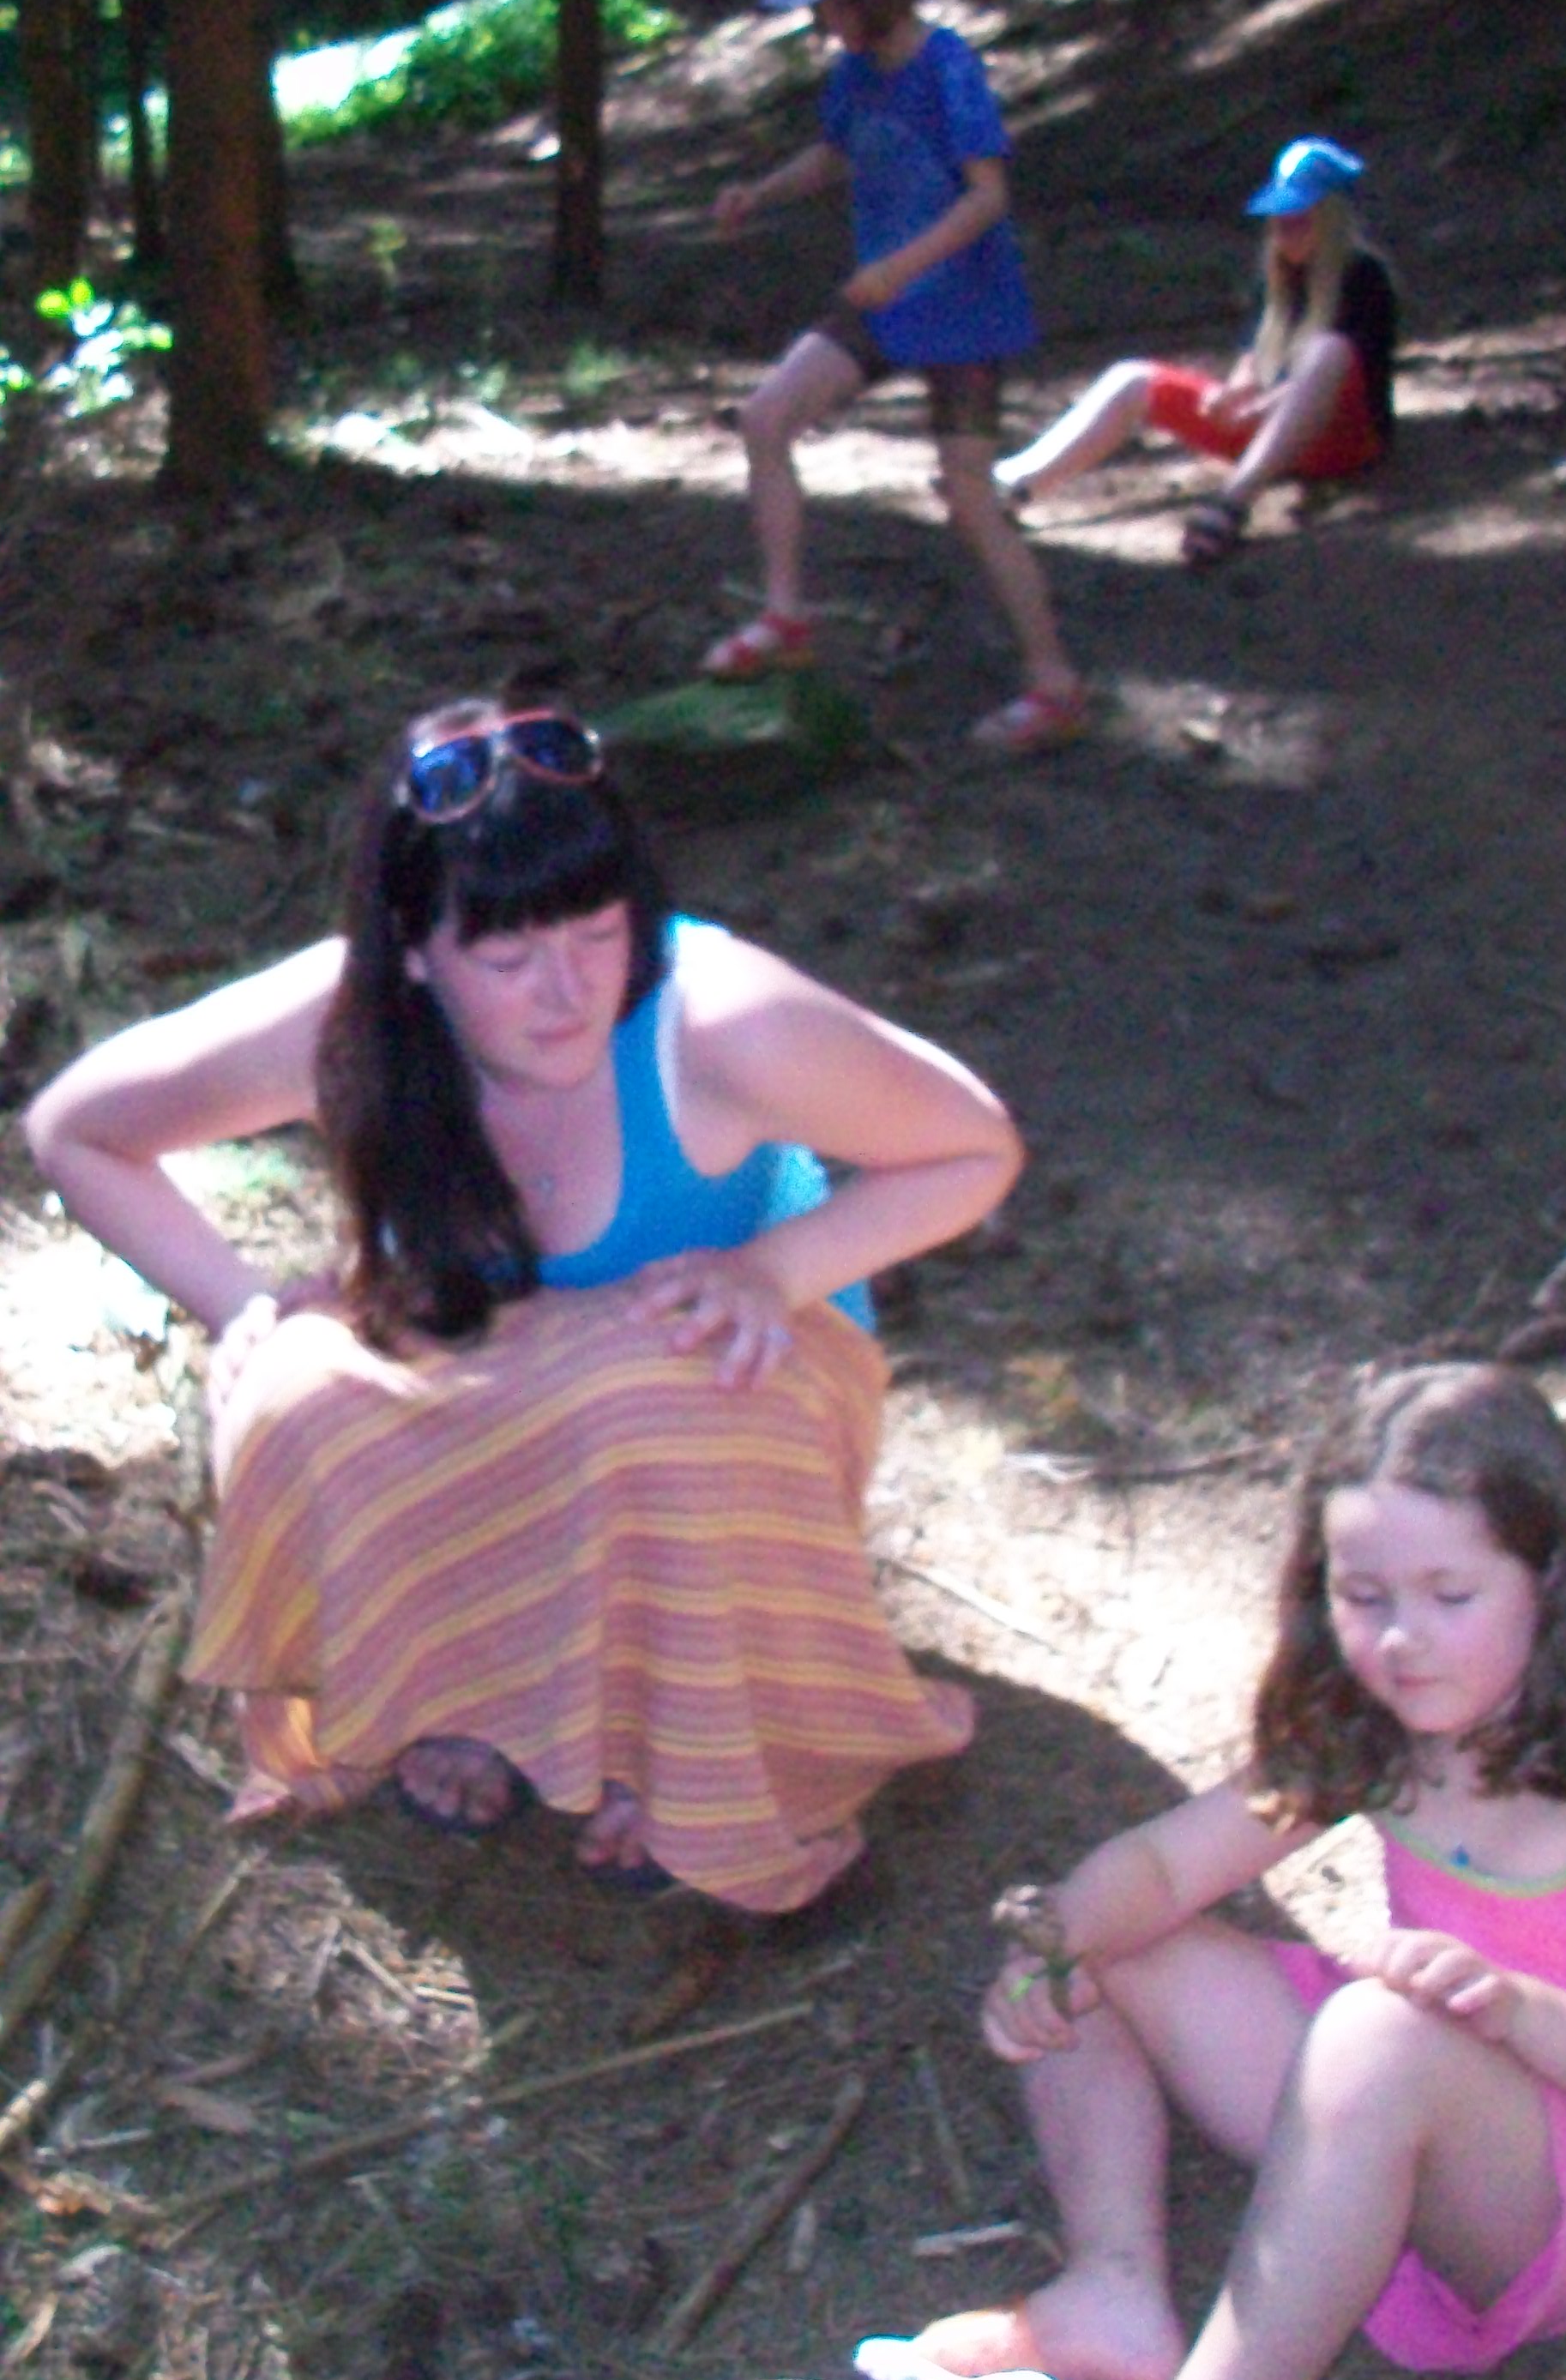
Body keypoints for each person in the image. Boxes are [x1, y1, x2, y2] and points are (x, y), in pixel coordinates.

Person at [26, 699, 1024, 1913]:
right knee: (295, 1391)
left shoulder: (720, 1018)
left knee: (650, 1395)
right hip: (488, 1370)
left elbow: (975, 1144)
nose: (567, 993)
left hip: (721, 1404)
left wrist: (775, 1270)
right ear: (410, 950)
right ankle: (465, 1693)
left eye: (598, 932)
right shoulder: (347, 1022)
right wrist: (241, 1309)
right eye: (506, 960)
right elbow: (75, 1130)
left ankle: (706, 1750)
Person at [854, 1363, 1566, 2380]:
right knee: (1105, 1937)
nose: (1400, 1641)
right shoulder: (1378, 1721)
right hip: (1417, 2071)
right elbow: (1165, 1865)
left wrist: (1516, 2013)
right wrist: (1054, 1943)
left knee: (1377, 2034)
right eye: (1362, 1596)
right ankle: (1113, 2293)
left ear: (1550, 1578)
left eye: (1449, 1596)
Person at [703, 0, 1086, 757]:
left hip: (961, 307)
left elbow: (988, 196)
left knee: (969, 497)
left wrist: (899, 269)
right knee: (766, 418)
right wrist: (759, 193)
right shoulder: (852, 75)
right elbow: (835, 153)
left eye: (830, 3)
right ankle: (784, 617)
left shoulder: (947, 66)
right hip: (885, 302)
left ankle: (1054, 683)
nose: (820, 21)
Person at [994, 136, 1398, 567]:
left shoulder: (1365, 277)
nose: (1285, 231)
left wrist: (1262, 407)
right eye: (1280, 220)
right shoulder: (1277, 276)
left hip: (1344, 442)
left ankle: (1233, 503)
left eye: (1299, 220)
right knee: (1134, 377)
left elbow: (1337, 374)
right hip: (1268, 434)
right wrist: (1230, 396)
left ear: (1331, 219)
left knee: (1327, 350)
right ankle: (1011, 484)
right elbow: (1253, 359)